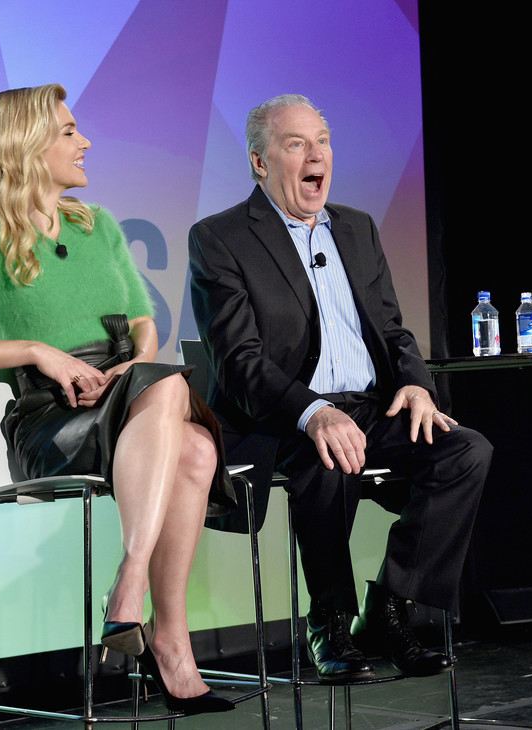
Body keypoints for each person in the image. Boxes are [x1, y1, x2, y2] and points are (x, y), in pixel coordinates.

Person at [0, 84, 235, 715]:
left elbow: (145, 325)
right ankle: (137, 597)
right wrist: (37, 352)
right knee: (178, 407)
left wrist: (128, 371)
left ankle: (158, 625)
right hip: (49, 419)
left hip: (127, 394)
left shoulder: (99, 226)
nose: (84, 142)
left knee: (196, 446)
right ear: (26, 147)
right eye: (68, 132)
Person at [189, 94, 492, 681]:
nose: (316, 156)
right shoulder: (221, 238)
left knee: (465, 451)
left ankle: (391, 607)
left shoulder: (355, 227)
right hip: (284, 416)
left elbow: (394, 331)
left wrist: (417, 387)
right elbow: (238, 362)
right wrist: (314, 412)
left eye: (322, 141)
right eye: (296, 144)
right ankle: (328, 619)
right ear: (260, 162)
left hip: (373, 407)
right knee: (327, 455)